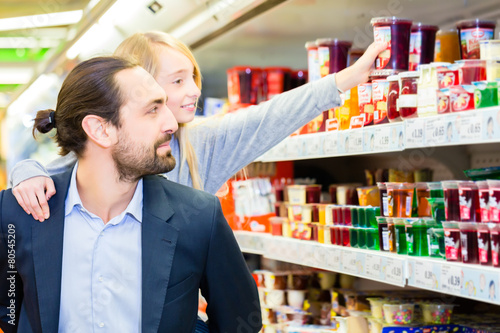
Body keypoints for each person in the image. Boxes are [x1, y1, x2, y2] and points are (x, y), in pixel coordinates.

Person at [0, 56, 261, 332]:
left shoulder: (198, 217)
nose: (171, 123)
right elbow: (10, 310)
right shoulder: (20, 213)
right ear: (100, 129)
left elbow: (240, 321)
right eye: (152, 110)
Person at [9, 31, 386, 221]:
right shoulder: (113, 149)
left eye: (193, 77)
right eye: (176, 81)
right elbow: (61, 173)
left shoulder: (200, 144)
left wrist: (345, 80)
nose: (193, 91)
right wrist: (23, 173)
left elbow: (268, 117)